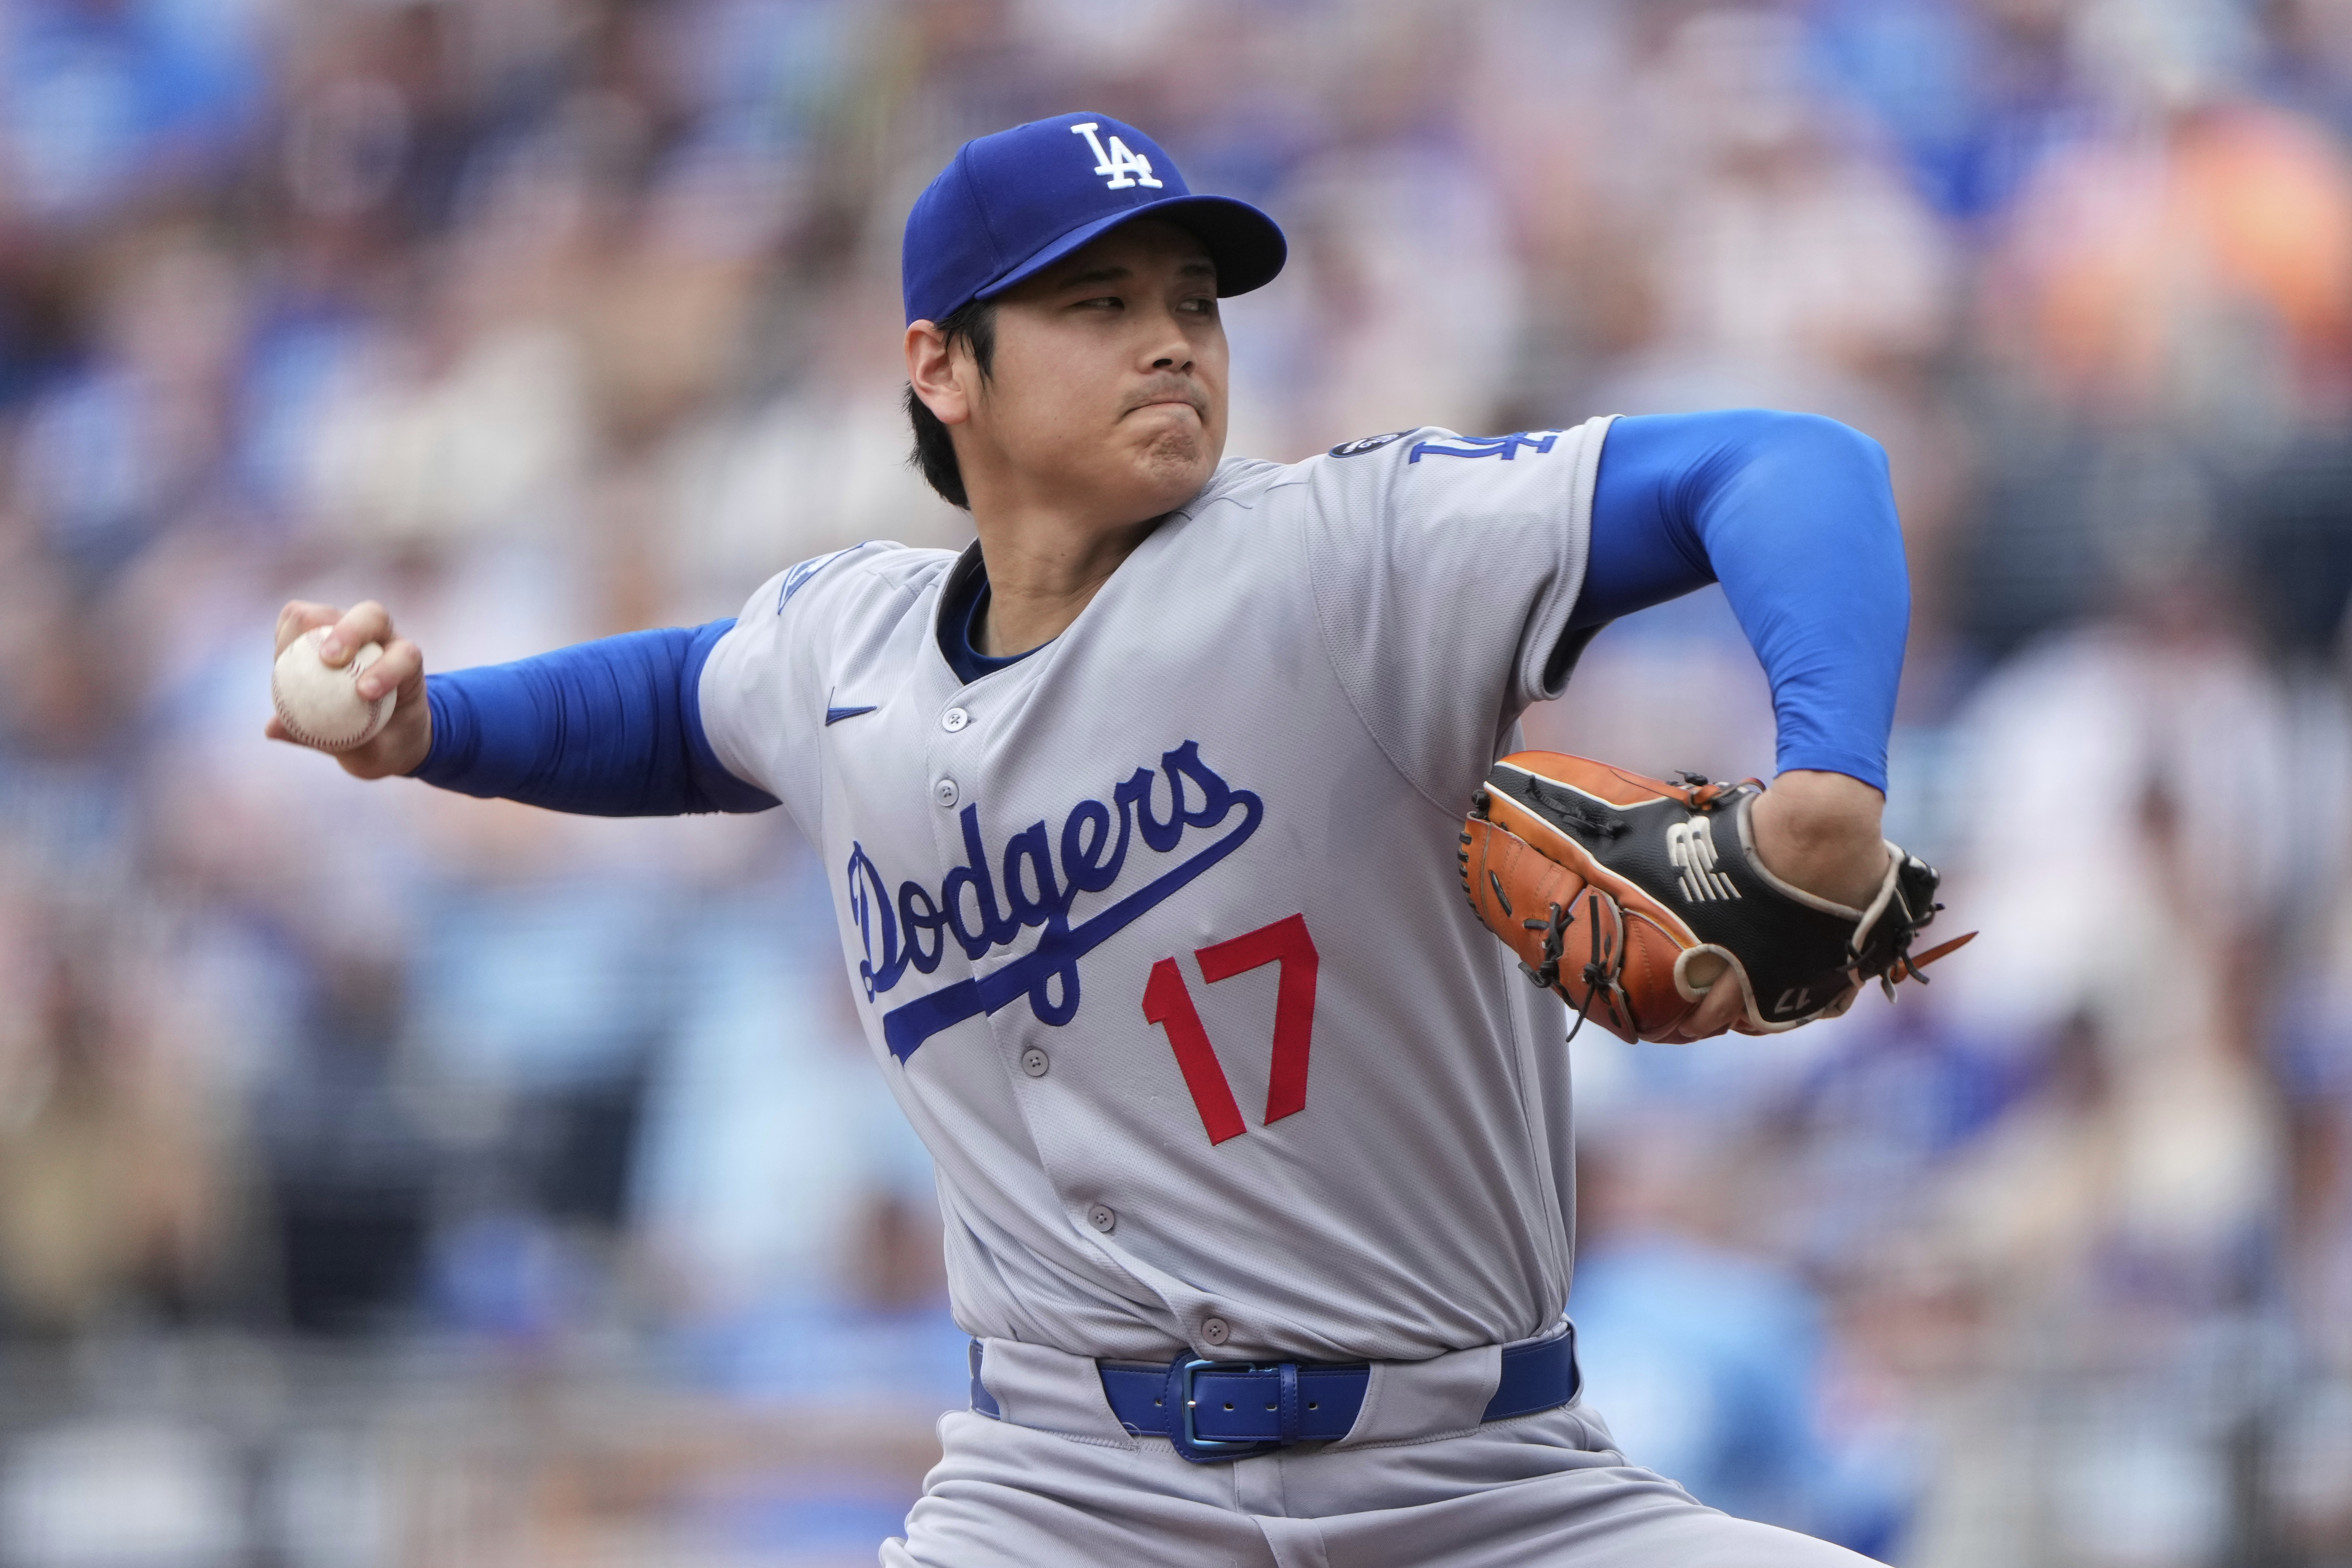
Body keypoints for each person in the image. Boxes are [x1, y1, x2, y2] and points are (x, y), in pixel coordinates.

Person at [271, 112, 1907, 1564]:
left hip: (1478, 1486)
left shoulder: (1343, 557)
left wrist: (1827, 777)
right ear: (941, 366)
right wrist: (432, 726)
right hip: (1063, 1496)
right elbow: (664, 707)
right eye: (1097, 304)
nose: (1173, 344)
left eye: (1193, 301)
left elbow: (1787, 464)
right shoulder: (846, 647)